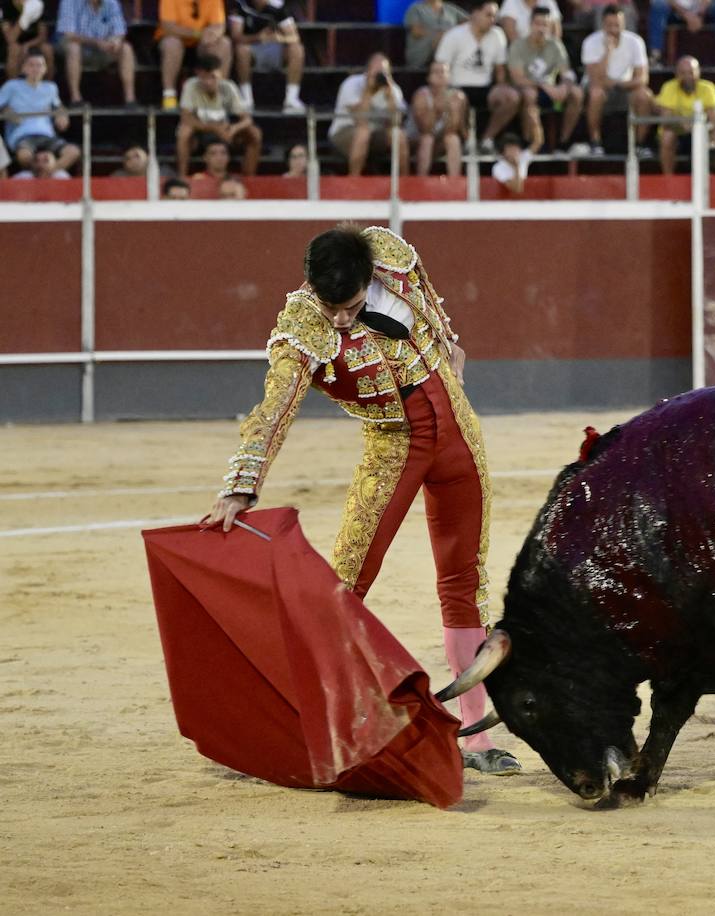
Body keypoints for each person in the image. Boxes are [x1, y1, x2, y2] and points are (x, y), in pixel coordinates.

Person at [204, 224, 521, 776]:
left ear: (368, 275)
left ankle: (473, 739)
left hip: (458, 434)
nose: (341, 318)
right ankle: (300, 723)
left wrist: (449, 342)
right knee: (345, 587)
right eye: (333, 309)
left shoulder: (390, 253)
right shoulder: (301, 325)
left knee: (465, 581)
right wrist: (240, 484)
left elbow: (427, 291)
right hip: (393, 446)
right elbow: (274, 408)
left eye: (349, 306)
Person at [433, 0, 521, 154]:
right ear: (475, 14)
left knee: (512, 97)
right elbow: (440, 68)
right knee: (456, 99)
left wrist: (501, 86)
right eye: (488, 15)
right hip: (457, 87)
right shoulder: (454, 35)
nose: (492, 20)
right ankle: (467, 141)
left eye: (495, 16)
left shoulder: (498, 35)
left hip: (485, 87)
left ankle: (487, 139)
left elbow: (500, 70)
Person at [508, 5, 581, 155]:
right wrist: (544, 86)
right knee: (529, 95)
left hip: (553, 94)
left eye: (545, 25)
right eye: (537, 24)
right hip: (528, 89)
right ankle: (531, 143)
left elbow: (567, 73)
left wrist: (565, 87)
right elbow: (518, 79)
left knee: (576, 94)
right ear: (530, 24)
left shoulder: (555, 45)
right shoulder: (518, 46)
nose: (541, 29)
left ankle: (563, 143)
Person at [581, 4, 652, 157]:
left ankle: (640, 144)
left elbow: (643, 78)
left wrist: (619, 84)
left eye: (617, 25)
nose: (613, 29)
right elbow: (595, 79)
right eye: (609, 25)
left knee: (644, 96)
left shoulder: (635, 42)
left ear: (624, 24)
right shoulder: (591, 42)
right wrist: (608, 52)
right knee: (596, 94)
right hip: (600, 88)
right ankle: (595, 142)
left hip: (625, 87)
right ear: (602, 24)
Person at [175, 52, 261, 177]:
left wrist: (234, 128)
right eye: (204, 78)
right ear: (198, 74)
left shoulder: (229, 87)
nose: (208, 82)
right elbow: (186, 118)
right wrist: (214, 128)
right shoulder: (191, 85)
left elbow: (247, 119)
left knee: (254, 133)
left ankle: (250, 178)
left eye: (212, 77)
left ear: (220, 74)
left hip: (226, 130)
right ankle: (182, 177)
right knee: (184, 132)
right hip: (200, 133)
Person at [329, 52, 410, 176]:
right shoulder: (351, 84)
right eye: (376, 71)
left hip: (375, 134)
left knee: (398, 134)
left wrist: (391, 99)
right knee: (363, 132)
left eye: (383, 72)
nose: (379, 76)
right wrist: (368, 91)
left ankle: (405, 182)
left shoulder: (393, 90)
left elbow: (396, 122)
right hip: (345, 131)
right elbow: (360, 120)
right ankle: (354, 180)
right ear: (367, 71)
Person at [0, 49, 78, 175]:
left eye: (39, 65)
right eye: (31, 65)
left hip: (47, 135)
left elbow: (59, 107)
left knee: (73, 152)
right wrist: (5, 110)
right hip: (22, 135)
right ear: (23, 69)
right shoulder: (11, 86)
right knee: (24, 157)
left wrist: (62, 115)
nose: (35, 69)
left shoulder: (51, 87)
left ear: (45, 69)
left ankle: (46, 173)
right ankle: (45, 173)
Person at [228, 0, 305, 113]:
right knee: (241, 49)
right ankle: (246, 99)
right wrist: (258, 37)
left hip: (275, 50)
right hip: (252, 49)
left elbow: (294, 37)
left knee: (297, 49)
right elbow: (235, 36)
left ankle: (291, 100)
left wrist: (279, 38)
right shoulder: (240, 4)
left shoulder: (278, 6)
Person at [55, 0, 135, 105]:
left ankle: (130, 99)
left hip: (104, 48)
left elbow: (120, 31)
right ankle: (75, 98)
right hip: (79, 46)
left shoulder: (112, 3)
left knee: (126, 48)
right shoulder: (69, 2)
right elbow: (69, 35)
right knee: (73, 48)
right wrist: (96, 43)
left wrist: (115, 41)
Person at [157, 0, 231, 110]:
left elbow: (219, 25)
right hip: (175, 40)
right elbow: (168, 27)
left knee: (224, 43)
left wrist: (213, 35)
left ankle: (216, 94)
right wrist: (198, 34)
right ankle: (169, 95)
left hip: (201, 43)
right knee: (172, 44)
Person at [654, 54, 715, 175]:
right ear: (677, 74)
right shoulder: (669, 87)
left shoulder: (708, 88)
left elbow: (713, 118)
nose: (687, 76)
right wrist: (682, 123)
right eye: (683, 73)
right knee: (667, 136)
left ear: (698, 72)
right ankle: (668, 179)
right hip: (676, 129)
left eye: (691, 72)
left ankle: (706, 179)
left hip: (701, 130)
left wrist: (713, 132)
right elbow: (666, 118)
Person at [408, 58, 463, 176]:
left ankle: (455, 183)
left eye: (443, 72)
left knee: (453, 139)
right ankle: (421, 181)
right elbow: (426, 129)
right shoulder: (421, 95)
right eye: (436, 72)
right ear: (428, 77)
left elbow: (453, 129)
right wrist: (435, 107)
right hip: (415, 141)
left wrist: (452, 110)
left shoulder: (456, 97)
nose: (440, 75)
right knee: (427, 139)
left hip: (439, 142)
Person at [647, 0, 715, 67]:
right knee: (658, 6)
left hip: (703, 11)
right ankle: (655, 56)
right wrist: (686, 15)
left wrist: (699, 14)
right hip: (675, 11)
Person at [403, 0, 465, 69]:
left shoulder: (450, 9)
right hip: (423, 49)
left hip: (451, 46)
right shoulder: (416, 9)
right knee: (443, 40)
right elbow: (416, 32)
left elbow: (470, 22)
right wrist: (439, 35)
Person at [4, 0, 52, 80]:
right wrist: (25, 15)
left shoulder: (38, 4)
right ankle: (14, 87)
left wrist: (27, 45)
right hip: (14, 43)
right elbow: (11, 39)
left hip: (34, 42)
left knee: (48, 49)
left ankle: (47, 87)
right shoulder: (6, 6)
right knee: (14, 49)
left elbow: (42, 36)